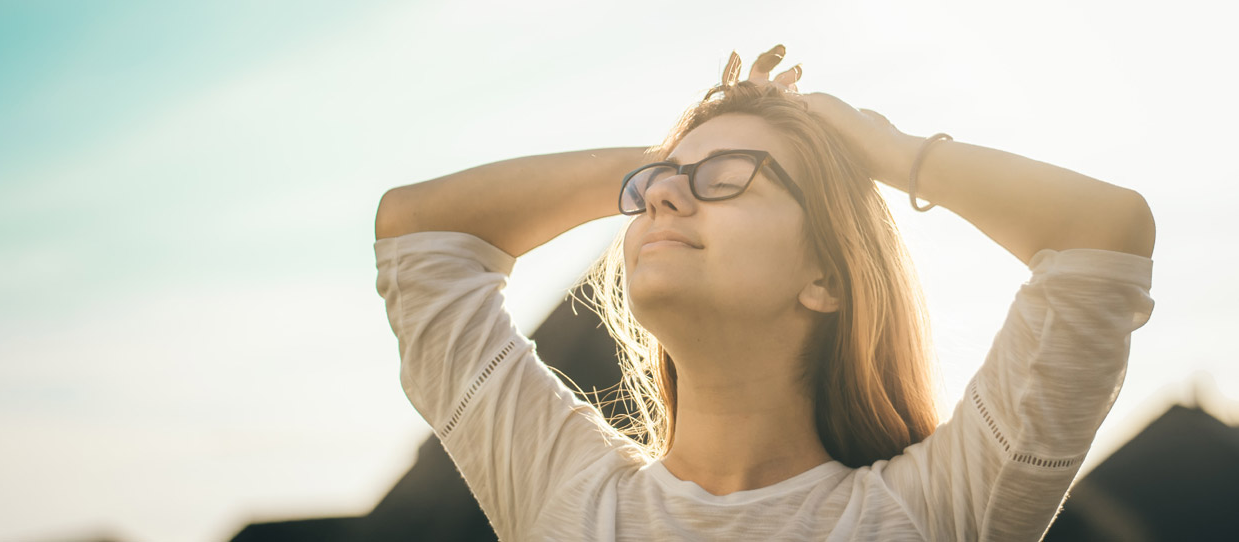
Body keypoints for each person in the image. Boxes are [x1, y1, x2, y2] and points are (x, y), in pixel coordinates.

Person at [373, 44, 1156, 541]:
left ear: (826, 276)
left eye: (724, 181)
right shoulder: (563, 493)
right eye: (655, 188)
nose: (665, 199)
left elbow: (1102, 235)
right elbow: (417, 231)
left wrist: (886, 152)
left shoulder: (937, 511)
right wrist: (679, 149)